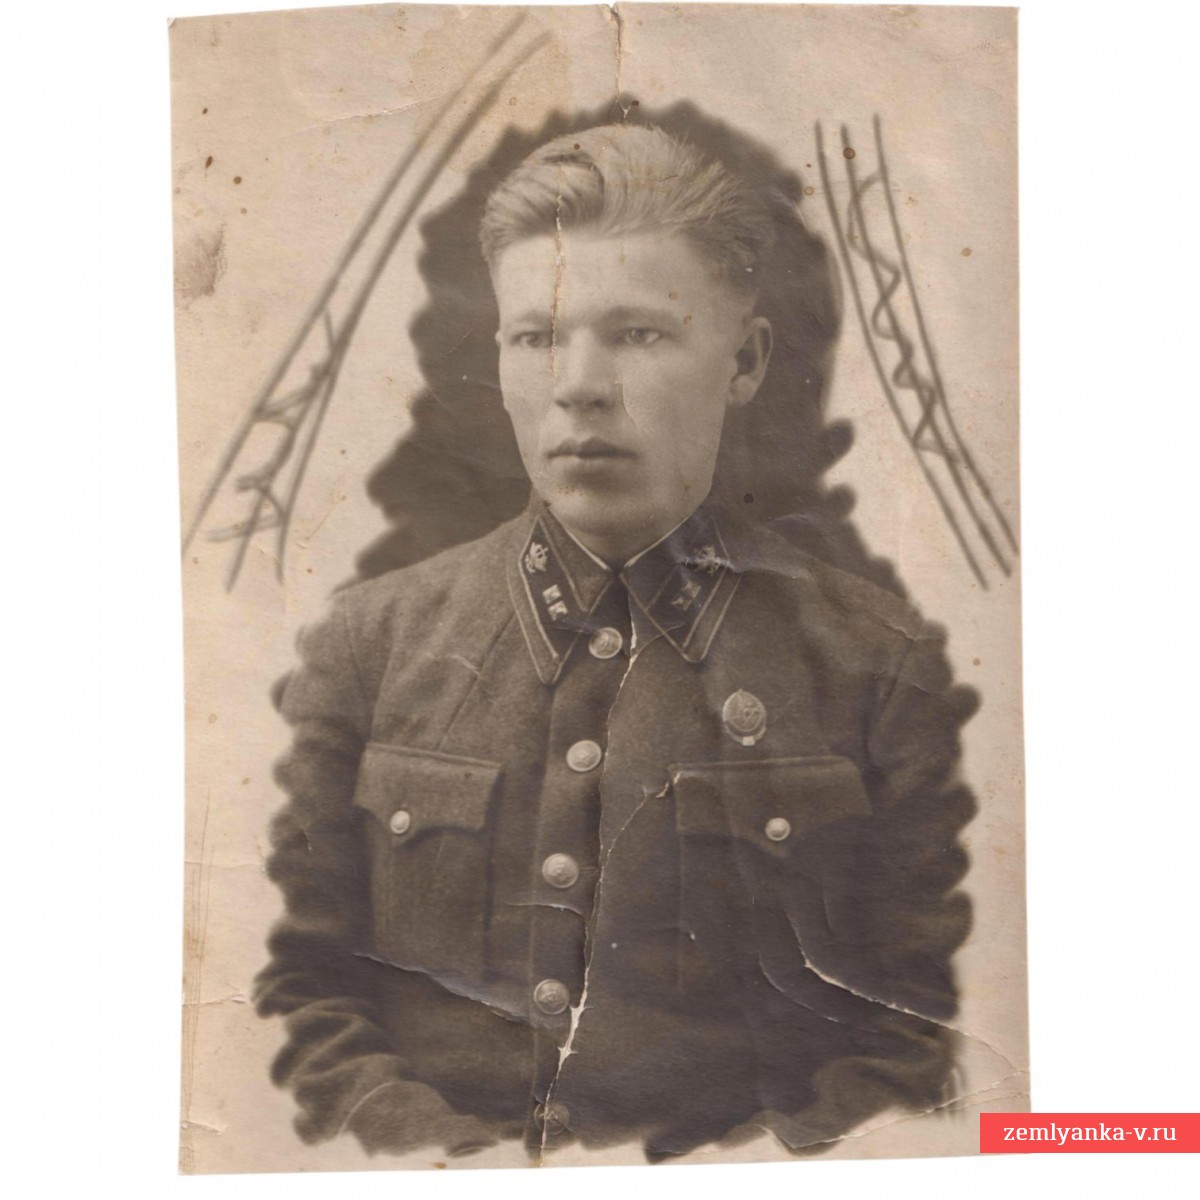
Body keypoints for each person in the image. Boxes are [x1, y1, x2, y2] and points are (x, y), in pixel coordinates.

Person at [254, 123, 979, 1163]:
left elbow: (930, 1041)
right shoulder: (367, 646)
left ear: (745, 361)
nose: (579, 384)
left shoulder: (875, 667)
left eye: (638, 334)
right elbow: (281, 993)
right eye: (536, 337)